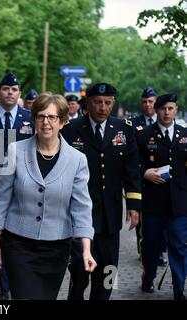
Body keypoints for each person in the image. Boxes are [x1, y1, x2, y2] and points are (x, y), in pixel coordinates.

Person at [0, 93, 96, 300]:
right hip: (18, 245)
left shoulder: (78, 160)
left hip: (56, 249)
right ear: (34, 119)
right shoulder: (15, 151)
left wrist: (86, 250)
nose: (46, 122)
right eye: (41, 116)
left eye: (52, 117)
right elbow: (1, 201)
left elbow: (81, 207)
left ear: (63, 122)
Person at [61, 82, 142, 300]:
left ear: (113, 104)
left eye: (107, 103)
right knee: (79, 266)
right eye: (97, 102)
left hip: (110, 214)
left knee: (108, 269)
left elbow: (132, 171)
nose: (102, 107)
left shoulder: (124, 129)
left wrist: (134, 205)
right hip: (80, 214)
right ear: (87, 103)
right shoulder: (71, 129)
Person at [0, 71, 35, 299]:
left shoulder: (29, 117)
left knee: (16, 237)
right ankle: (1, 284)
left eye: (14, 89)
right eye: (6, 89)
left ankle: (11, 285)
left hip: (21, 185)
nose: (9, 93)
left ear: (19, 93)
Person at [136, 93, 187, 300]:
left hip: (179, 203)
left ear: (176, 110)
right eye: (163, 108)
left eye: (171, 108)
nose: (167, 112)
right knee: (151, 246)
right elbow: (133, 166)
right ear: (156, 110)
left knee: (178, 246)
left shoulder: (185, 135)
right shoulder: (143, 135)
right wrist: (144, 173)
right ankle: (148, 277)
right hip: (154, 202)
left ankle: (178, 288)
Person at [130, 87, 167, 266]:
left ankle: (160, 252)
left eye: (151, 101)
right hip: (143, 181)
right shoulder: (132, 124)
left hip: (164, 180)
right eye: (144, 101)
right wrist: (142, 173)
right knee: (144, 220)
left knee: (164, 219)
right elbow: (130, 155)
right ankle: (143, 249)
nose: (147, 105)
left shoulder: (164, 122)